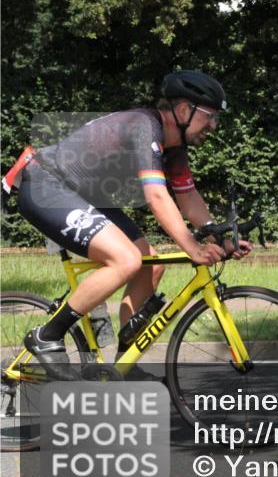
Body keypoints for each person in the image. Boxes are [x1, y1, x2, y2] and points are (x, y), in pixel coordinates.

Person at [15, 70, 252, 381]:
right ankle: (47, 335)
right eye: (210, 116)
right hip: (48, 186)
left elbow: (187, 196)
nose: (214, 126)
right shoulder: (144, 127)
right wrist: (192, 247)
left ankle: (125, 364)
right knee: (127, 260)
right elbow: (156, 195)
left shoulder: (174, 147)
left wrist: (216, 234)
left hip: (84, 196)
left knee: (151, 265)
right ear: (183, 110)